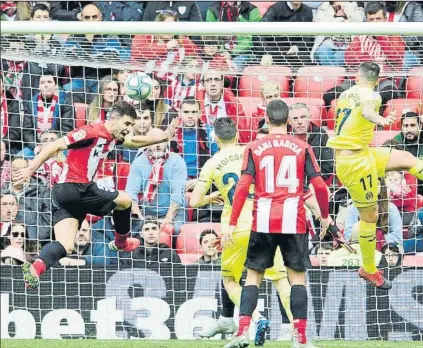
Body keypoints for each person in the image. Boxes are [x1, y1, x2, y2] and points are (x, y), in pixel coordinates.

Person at [15, 101, 177, 289]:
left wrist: (163, 137)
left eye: (131, 125)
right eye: (126, 124)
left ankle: (36, 268)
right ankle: (121, 242)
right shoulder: (92, 131)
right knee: (125, 201)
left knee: (66, 245)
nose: (129, 129)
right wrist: (31, 168)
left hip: (63, 195)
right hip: (76, 187)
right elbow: (56, 145)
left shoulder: (112, 137)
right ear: (113, 119)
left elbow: (133, 142)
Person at [225, 100, 330, 348]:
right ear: (289, 121)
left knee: (252, 277)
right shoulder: (302, 146)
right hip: (294, 221)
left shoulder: (254, 147)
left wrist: (232, 221)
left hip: (262, 220)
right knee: (297, 280)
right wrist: (324, 215)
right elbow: (319, 186)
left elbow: (242, 186)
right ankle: (301, 339)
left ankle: (241, 333)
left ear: (267, 119)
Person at [190, 117, 295, 346]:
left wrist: (211, 196)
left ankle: (255, 318)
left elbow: (194, 201)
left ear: (215, 139)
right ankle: (299, 332)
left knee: (230, 280)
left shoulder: (212, 162)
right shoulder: (253, 152)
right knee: (280, 280)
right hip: (266, 223)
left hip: (235, 227)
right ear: (238, 134)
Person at [326, 62, 423, 290]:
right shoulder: (373, 96)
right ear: (378, 81)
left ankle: (368, 268)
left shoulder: (346, 93)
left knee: (408, 160)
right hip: (354, 165)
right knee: (370, 218)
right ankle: (368, 269)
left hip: (364, 154)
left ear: (356, 77)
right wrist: (381, 120)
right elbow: (368, 111)